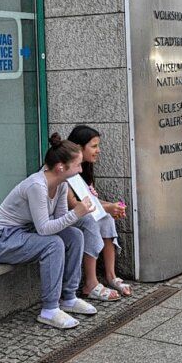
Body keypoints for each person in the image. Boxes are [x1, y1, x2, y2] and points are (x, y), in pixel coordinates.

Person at [0, 134, 97, 329]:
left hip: (27, 232)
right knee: (53, 244)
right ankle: (49, 309)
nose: (81, 169)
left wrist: (79, 213)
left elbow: (60, 221)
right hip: (1, 239)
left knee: (75, 236)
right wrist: (77, 213)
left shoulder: (62, 184)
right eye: (78, 165)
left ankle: (69, 297)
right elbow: (45, 229)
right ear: (61, 167)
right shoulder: (37, 185)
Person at [66, 125, 130, 302]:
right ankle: (90, 283)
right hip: (63, 217)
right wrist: (107, 207)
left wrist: (111, 207)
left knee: (106, 219)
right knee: (90, 222)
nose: (98, 151)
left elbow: (89, 200)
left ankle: (110, 275)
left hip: (77, 213)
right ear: (79, 148)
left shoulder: (84, 168)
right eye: (94, 146)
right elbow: (72, 204)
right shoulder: (67, 167)